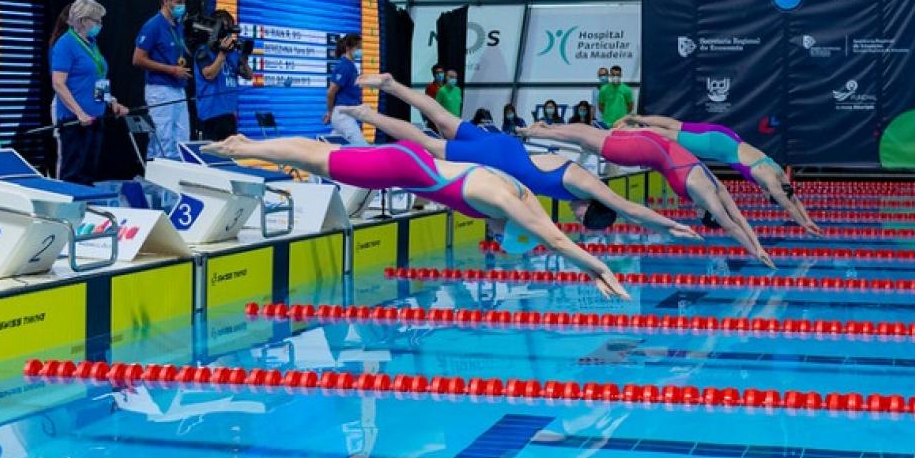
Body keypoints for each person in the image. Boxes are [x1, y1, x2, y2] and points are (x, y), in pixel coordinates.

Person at [204, 134, 629, 300]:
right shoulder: (505, 204)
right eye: (500, 236)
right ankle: (244, 147)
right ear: (511, 226)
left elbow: (549, 229)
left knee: (321, 156)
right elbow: (554, 239)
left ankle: (249, 144)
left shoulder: (523, 196)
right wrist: (596, 267)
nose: (492, 233)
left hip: (412, 161)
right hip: (405, 169)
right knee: (318, 161)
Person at [349, 74, 700, 241]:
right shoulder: (586, 188)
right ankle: (369, 116)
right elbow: (630, 209)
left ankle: (392, 86)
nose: (576, 217)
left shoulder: (580, 190)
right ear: (587, 211)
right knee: (432, 147)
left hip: (506, 149)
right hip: (502, 160)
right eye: (582, 218)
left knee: (443, 120)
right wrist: (671, 225)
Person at [521, 119, 774, 267]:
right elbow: (731, 224)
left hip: (653, 142)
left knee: (589, 135)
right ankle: (536, 132)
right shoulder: (704, 193)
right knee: (587, 140)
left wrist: (759, 247)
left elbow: (739, 217)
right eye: (701, 215)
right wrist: (753, 252)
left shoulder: (717, 186)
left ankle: (543, 128)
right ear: (706, 212)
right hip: (643, 151)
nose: (695, 212)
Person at [616, 114, 821, 235]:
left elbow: (792, 197)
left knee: (674, 124)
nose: (766, 196)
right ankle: (623, 131)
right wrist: (805, 225)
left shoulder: (778, 173)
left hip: (727, 135)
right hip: (718, 147)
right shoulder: (770, 181)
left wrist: (808, 217)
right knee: (668, 135)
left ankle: (634, 118)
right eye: (769, 197)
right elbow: (787, 204)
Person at [50, 0, 129, 185]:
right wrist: (79, 113)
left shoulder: (91, 44)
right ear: (83, 20)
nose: (100, 25)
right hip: (75, 121)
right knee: (74, 174)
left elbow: (98, 78)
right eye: (97, 21)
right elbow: (58, 83)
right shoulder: (66, 44)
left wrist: (112, 102)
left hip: (96, 118)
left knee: (89, 173)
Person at [132, 0, 193, 159]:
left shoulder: (178, 26)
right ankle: (158, 186)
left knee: (182, 139)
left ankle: (176, 183)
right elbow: (137, 59)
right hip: (160, 89)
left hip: (179, 89)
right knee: (162, 138)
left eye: (184, 2)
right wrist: (171, 70)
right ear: (166, 1)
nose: (182, 6)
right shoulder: (153, 25)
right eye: (179, 2)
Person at [194, 9, 254, 141]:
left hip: (229, 114)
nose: (227, 33)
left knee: (229, 156)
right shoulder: (204, 51)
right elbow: (209, 75)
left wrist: (244, 58)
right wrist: (222, 54)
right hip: (211, 114)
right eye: (224, 28)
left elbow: (249, 75)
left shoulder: (232, 53)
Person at [324, 33, 366, 146]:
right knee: (362, 148)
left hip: (345, 114)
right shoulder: (344, 66)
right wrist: (330, 113)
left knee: (332, 149)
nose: (361, 51)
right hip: (343, 115)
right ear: (348, 48)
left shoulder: (351, 66)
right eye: (358, 48)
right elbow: (331, 92)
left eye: (361, 48)